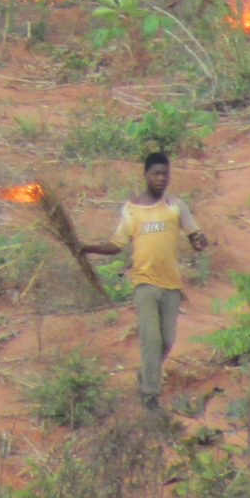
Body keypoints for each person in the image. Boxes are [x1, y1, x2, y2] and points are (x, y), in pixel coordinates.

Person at [87, 149, 208, 414]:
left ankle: (146, 374)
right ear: (145, 175)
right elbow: (116, 245)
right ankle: (150, 395)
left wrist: (201, 242)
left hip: (171, 284)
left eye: (165, 174)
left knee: (167, 341)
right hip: (144, 283)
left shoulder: (176, 206)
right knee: (151, 338)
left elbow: (195, 236)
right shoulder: (132, 209)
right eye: (156, 174)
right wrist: (87, 248)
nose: (161, 179)